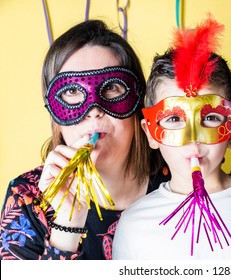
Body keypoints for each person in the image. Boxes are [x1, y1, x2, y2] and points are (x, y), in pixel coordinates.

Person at [112, 17, 231, 260]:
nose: (193, 139)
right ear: (150, 134)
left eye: (210, 118)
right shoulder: (134, 224)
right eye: (174, 120)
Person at [0, 20, 169, 260]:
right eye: (71, 91)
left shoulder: (181, 183)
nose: (93, 110)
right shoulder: (27, 198)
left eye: (111, 87)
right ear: (53, 110)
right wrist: (68, 223)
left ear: (137, 102)